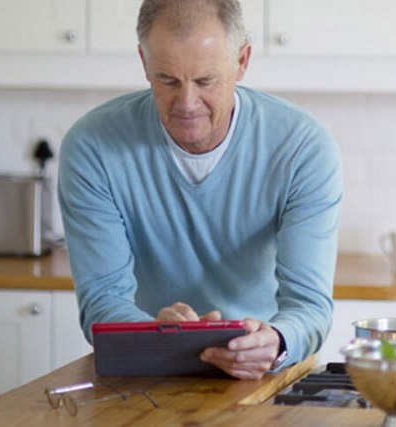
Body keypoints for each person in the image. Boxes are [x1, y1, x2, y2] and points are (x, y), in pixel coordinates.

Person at [58, 0, 342, 379]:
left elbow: (309, 307)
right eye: (167, 80)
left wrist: (276, 340)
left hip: (262, 372)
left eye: (206, 81)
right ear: (143, 63)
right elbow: (102, 300)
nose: (187, 104)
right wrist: (151, 333)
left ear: (242, 61)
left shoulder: (302, 148)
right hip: (148, 371)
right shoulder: (92, 147)